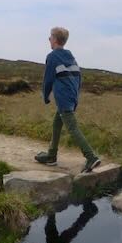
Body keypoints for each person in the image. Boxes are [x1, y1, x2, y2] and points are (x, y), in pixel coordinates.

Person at [35, 26, 101, 172]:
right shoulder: (70, 56)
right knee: (56, 124)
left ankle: (91, 157)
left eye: (50, 37)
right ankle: (51, 155)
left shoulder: (52, 57)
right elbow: (79, 77)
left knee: (72, 127)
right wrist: (76, 97)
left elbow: (48, 80)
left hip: (64, 98)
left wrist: (45, 96)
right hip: (71, 96)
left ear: (55, 40)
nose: (49, 39)